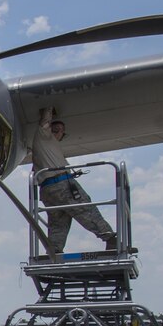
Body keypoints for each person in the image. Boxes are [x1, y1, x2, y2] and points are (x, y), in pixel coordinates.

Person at [31, 107, 116, 254]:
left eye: (61, 131)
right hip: (61, 183)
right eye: (56, 129)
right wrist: (49, 109)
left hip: (48, 189)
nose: (59, 132)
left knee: (58, 221)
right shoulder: (43, 136)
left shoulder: (48, 147)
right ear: (51, 129)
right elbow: (45, 121)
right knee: (85, 209)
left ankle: (54, 251)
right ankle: (110, 238)